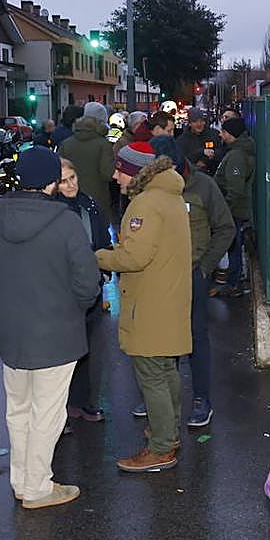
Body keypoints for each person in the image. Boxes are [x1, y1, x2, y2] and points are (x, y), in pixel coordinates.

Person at [0, 147, 100, 509]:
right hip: (58, 333)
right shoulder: (65, 222)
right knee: (48, 413)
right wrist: (73, 308)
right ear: (52, 182)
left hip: (11, 333)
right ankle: (39, 486)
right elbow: (88, 283)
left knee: (18, 409)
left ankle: (22, 482)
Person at [98, 143, 192, 472]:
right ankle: (167, 432)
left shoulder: (145, 204)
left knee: (152, 375)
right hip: (168, 299)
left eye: (120, 170)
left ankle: (161, 448)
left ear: (136, 172)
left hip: (150, 303)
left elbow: (134, 258)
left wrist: (98, 256)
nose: (115, 176)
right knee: (166, 371)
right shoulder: (170, 195)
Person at [151, 135, 234, 427]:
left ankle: (201, 398)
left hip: (192, 273)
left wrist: (206, 268)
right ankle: (160, 397)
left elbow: (225, 228)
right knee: (160, 339)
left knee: (195, 336)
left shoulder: (203, 186)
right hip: (158, 276)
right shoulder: (148, 186)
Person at [57, 156, 111, 423]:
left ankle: (81, 400)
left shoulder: (89, 203)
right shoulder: (53, 210)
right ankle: (60, 410)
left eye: (73, 178)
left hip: (91, 286)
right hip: (64, 290)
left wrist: (104, 266)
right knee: (62, 353)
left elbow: (102, 237)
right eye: (63, 181)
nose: (70, 185)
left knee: (86, 349)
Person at [214, 116, 256, 298]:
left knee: (233, 246)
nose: (221, 135)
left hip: (233, 210)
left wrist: (224, 209)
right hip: (237, 209)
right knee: (234, 245)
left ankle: (233, 283)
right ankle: (234, 281)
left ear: (231, 134)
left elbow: (235, 188)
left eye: (223, 132)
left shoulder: (236, 156)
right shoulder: (240, 151)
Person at [57, 101, 117, 218]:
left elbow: (58, 170)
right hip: (96, 199)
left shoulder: (66, 143)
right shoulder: (103, 144)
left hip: (69, 197)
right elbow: (107, 174)